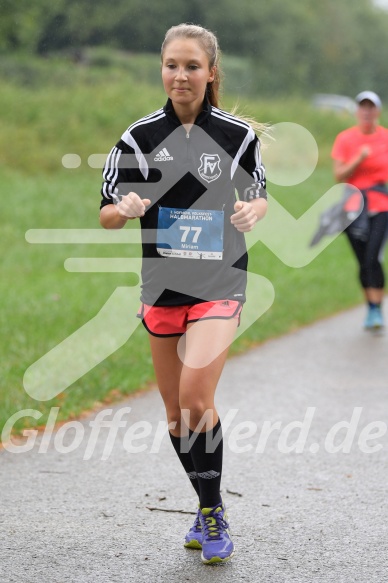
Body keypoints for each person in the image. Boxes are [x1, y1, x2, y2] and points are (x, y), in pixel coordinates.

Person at [99, 23, 268, 564]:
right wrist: (122, 210)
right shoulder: (138, 138)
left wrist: (251, 211)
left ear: (211, 72)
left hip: (220, 284)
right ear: (162, 69)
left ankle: (214, 513)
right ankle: (205, 503)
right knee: (176, 417)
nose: (180, 75)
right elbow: (105, 212)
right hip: (163, 288)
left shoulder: (238, 137)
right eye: (172, 64)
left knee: (197, 398)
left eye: (192, 66)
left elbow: (258, 196)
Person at [332, 90, 388, 330]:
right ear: (357, 111)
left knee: (373, 255)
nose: (367, 111)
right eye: (363, 107)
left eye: (371, 107)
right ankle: (371, 306)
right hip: (353, 207)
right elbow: (339, 176)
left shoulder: (385, 137)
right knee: (363, 261)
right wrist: (358, 159)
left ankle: (376, 309)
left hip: (380, 205)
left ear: (378, 111)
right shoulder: (345, 139)